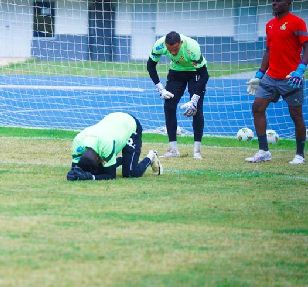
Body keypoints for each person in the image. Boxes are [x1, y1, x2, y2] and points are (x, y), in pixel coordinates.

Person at [245, 0, 308, 164]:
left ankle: (300, 155)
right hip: (271, 77)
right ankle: (263, 151)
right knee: (257, 107)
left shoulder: (297, 22)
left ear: (288, 3)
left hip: (291, 78)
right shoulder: (269, 25)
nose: (274, 3)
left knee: (296, 115)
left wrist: (300, 70)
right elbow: (268, 50)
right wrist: (260, 73)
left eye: (278, 1)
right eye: (273, 1)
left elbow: (307, 48)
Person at [147, 31, 209, 159]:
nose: (173, 53)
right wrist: (161, 89)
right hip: (176, 73)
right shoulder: (159, 45)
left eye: (175, 49)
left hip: (195, 73)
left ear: (181, 43)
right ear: (165, 44)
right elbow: (150, 66)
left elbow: (204, 75)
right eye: (170, 50)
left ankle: (197, 151)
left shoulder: (193, 48)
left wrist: (194, 100)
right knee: (169, 106)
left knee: (196, 109)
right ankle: (173, 150)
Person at [66, 112, 162, 181]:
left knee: (130, 173)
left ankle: (151, 156)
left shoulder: (106, 145)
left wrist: (92, 177)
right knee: (100, 168)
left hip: (130, 125)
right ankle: (122, 160)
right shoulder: (78, 142)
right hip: (112, 121)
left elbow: (111, 175)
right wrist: (74, 174)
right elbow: (76, 167)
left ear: (97, 157)